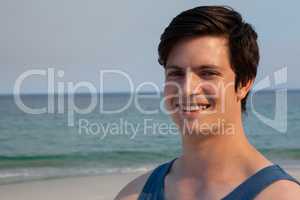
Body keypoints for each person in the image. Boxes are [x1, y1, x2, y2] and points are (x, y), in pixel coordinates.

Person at [115, 5, 300, 200]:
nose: (187, 89)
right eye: (176, 73)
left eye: (207, 73)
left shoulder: (280, 195)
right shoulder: (134, 194)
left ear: (244, 84)